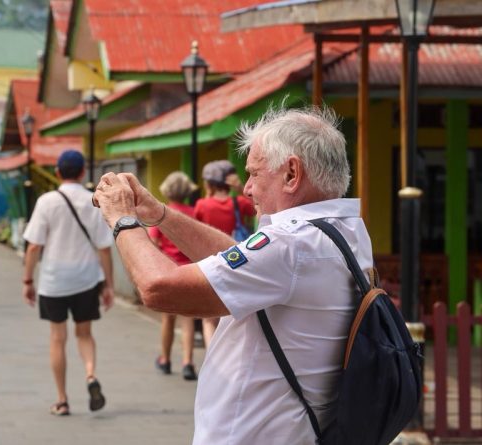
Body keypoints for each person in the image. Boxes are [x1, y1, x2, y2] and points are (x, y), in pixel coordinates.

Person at [93, 107, 366, 444]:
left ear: (291, 173)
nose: (247, 188)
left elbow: (158, 288)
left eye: (254, 173)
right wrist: (159, 214)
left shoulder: (291, 245)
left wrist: (122, 219)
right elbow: (237, 258)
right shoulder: (341, 231)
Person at [22, 150, 114, 417]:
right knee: (84, 333)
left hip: (54, 281)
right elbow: (104, 248)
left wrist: (28, 280)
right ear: (83, 172)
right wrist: (108, 285)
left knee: (57, 338)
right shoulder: (93, 201)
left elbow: (33, 247)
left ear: (57, 172)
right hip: (86, 278)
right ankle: (90, 374)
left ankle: (62, 400)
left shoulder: (47, 201)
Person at [194, 160, 256, 348]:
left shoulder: (202, 205)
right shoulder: (239, 203)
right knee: (232, 314)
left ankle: (212, 353)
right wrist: (240, 189)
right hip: (236, 262)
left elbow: (196, 231)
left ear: (209, 183)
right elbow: (257, 209)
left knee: (209, 319)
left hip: (209, 264)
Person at [149, 172, 198, 381]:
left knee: (167, 319)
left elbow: (153, 244)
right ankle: (188, 362)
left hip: (169, 272)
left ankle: (166, 359)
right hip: (190, 271)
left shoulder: (161, 213)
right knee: (188, 319)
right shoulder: (193, 213)